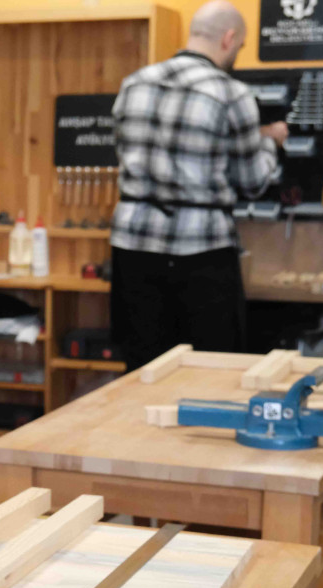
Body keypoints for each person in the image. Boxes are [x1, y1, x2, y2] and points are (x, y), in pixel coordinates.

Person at [109, 0, 287, 371]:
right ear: (229, 38)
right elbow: (252, 182)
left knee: (142, 370)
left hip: (133, 246)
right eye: (238, 47)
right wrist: (271, 142)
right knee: (209, 371)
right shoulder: (231, 93)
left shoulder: (133, 83)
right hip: (201, 252)